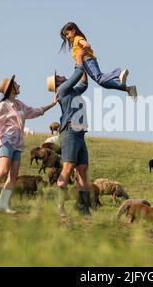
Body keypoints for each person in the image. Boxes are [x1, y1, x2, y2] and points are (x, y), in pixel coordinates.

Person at [0, 75, 59, 213]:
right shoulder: (3, 105)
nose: (19, 86)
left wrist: (52, 104)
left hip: (18, 143)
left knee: (13, 175)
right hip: (6, 141)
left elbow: (35, 111)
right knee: (3, 171)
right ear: (11, 89)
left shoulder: (19, 104)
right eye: (17, 84)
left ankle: (2, 205)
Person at [47, 49, 91, 216]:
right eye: (58, 77)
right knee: (68, 167)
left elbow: (84, 83)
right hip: (70, 131)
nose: (61, 76)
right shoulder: (63, 89)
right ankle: (60, 207)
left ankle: (83, 208)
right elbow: (78, 73)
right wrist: (79, 57)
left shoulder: (72, 90)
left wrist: (84, 64)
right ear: (57, 83)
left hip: (79, 133)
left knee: (82, 169)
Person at [59, 22, 138, 101]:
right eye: (65, 35)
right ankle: (128, 89)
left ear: (73, 30)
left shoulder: (77, 38)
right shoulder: (74, 43)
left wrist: (85, 49)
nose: (67, 37)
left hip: (87, 60)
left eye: (67, 34)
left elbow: (87, 45)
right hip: (86, 63)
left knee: (100, 78)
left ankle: (118, 74)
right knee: (103, 83)